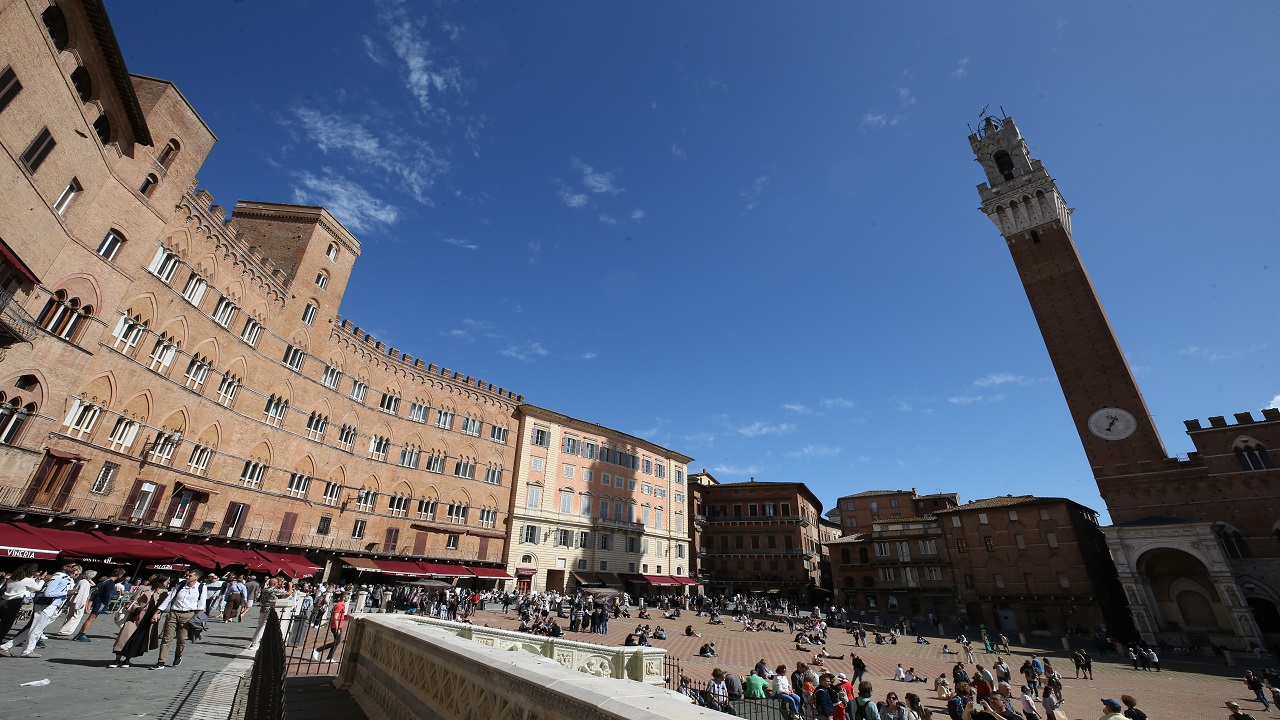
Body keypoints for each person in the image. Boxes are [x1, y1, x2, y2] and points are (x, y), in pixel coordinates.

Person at [1, 562, 80, 658]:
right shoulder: (60, 577)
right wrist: (66, 593)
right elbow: (48, 592)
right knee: (37, 629)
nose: (75, 571)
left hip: (49, 604)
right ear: (65, 567)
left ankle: (7, 646)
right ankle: (27, 650)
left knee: (33, 628)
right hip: (47, 605)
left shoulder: (59, 577)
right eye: (73, 568)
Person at [152, 568, 207, 669]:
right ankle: (161, 661)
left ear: (196, 577)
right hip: (173, 613)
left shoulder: (202, 587)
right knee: (166, 638)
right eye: (186, 575)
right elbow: (169, 598)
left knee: (182, 639)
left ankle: (178, 655)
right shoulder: (181, 585)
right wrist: (157, 612)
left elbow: (201, 604)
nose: (187, 577)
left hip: (188, 615)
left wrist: (199, 618)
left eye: (190, 575)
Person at [110, 574, 169, 668]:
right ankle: (117, 659)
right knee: (125, 637)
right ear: (161, 581)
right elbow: (132, 601)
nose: (168, 583)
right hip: (136, 617)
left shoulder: (164, 593)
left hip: (148, 620)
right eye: (167, 581)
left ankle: (127, 659)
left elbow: (162, 608)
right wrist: (137, 607)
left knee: (137, 639)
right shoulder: (144, 589)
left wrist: (157, 615)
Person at [75, 568, 125, 641]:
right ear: (119, 575)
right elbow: (107, 594)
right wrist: (106, 602)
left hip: (97, 600)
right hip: (101, 602)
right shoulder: (110, 582)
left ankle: (80, 633)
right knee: (91, 618)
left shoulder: (105, 580)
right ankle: (82, 634)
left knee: (91, 618)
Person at [0, 563, 42, 641]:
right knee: (5, 625)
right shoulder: (28, 580)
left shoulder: (12, 578)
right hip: (14, 603)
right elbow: (37, 588)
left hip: (3, 600)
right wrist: (41, 581)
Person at [53, 569, 96, 639]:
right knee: (76, 617)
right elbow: (83, 594)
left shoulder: (81, 581)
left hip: (74, 600)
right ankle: (65, 631)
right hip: (79, 601)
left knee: (70, 615)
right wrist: (83, 602)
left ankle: (64, 629)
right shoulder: (85, 582)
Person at [312, 592, 347, 663]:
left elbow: (342, 616)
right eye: (348, 596)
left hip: (339, 625)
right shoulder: (339, 605)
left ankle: (329, 658)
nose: (348, 598)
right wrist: (337, 628)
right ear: (343, 597)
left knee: (336, 642)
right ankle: (318, 650)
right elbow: (335, 617)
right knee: (337, 642)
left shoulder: (342, 605)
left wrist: (348, 616)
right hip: (336, 626)